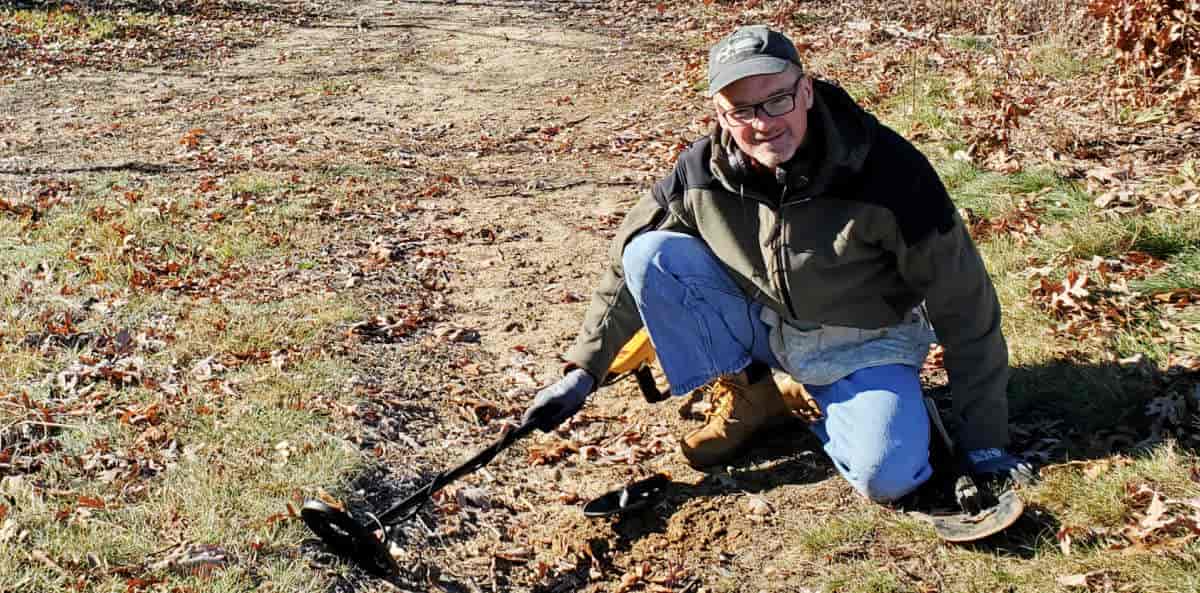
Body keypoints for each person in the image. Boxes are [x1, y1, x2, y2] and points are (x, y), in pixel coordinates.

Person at [522, 25, 1032, 502]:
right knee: (652, 253)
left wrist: (984, 444)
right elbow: (625, 261)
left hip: (863, 342)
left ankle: (855, 403)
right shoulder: (701, 171)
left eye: (777, 100)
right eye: (741, 110)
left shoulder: (891, 174)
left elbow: (966, 307)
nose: (763, 123)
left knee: (890, 476)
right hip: (765, 326)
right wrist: (584, 371)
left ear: (806, 90)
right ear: (720, 114)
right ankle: (756, 393)